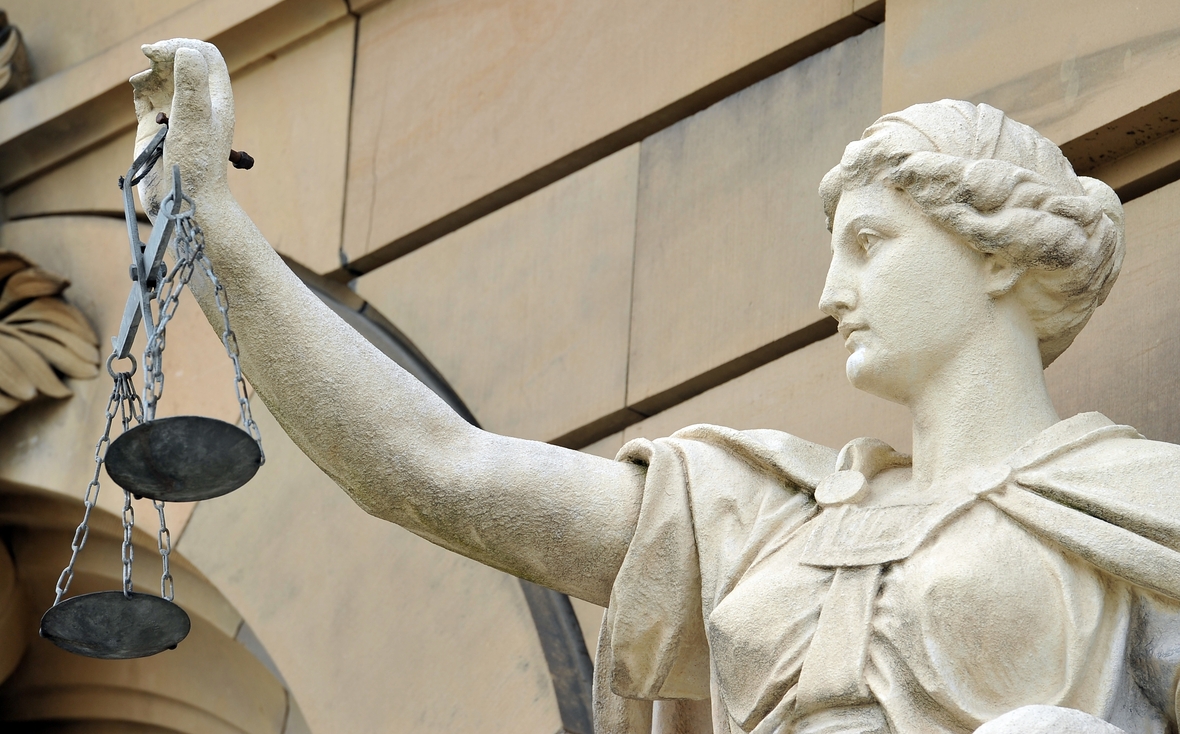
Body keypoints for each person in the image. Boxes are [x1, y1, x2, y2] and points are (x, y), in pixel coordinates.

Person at [129, 39, 1180, 734]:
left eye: (870, 245)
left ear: (993, 254)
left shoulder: (1140, 508)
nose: (830, 292)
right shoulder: (753, 515)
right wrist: (213, 224)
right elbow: (431, 469)